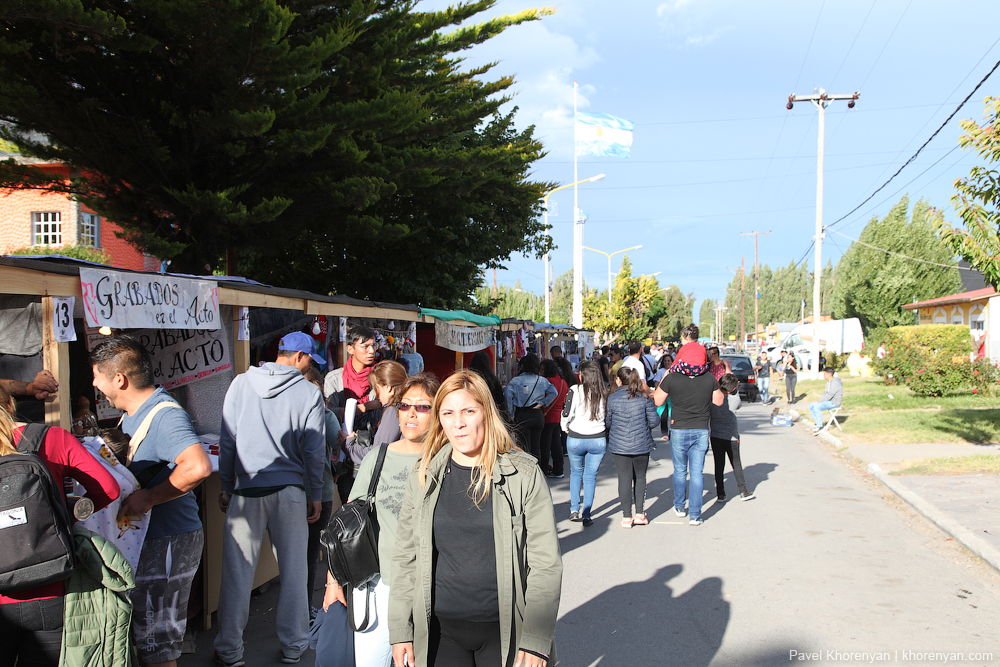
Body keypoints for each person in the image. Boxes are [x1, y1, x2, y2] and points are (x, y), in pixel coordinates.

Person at [388, 370, 562, 667]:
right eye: (448, 413)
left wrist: (536, 640)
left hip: (504, 630)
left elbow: (545, 564)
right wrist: (401, 629)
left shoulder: (523, 474)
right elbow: (406, 556)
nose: (458, 423)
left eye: (469, 411)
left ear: (487, 412)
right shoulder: (425, 472)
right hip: (441, 632)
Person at [90, 334, 213, 667]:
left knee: (157, 648)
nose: (94, 383)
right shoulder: (135, 413)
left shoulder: (164, 416)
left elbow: (198, 466)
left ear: (119, 379)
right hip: (156, 541)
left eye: (96, 375)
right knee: (148, 643)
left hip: (169, 541)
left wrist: (148, 498)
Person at [214, 331, 327, 666]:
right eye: (309, 360)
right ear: (298, 357)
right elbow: (314, 450)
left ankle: (229, 650)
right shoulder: (308, 392)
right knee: (294, 573)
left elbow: (228, 439)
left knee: (236, 574)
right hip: (290, 492)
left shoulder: (239, 384)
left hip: (246, 490)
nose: (309, 366)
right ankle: (294, 647)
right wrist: (316, 493)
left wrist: (225, 484)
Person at [324, 374, 440, 667]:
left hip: (430, 588)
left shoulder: (446, 460)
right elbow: (346, 523)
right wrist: (332, 581)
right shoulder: (378, 456)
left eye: (423, 407)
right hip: (376, 586)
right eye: (404, 405)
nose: (411, 413)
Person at [0, 386, 120, 667]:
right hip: (51, 586)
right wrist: (64, 515)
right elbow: (109, 489)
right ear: (11, 403)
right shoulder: (52, 437)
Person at [653, 324, 725, 526]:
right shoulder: (709, 378)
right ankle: (695, 514)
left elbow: (658, 400)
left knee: (679, 471)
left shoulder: (673, 377)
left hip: (678, 428)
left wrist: (666, 377)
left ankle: (679, 506)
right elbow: (719, 401)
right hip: (701, 429)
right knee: (697, 473)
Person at [303, 367, 345, 612]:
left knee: (296, 556)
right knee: (309, 554)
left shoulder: (290, 414)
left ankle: (299, 609)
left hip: (295, 489)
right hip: (321, 491)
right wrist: (337, 468)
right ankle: (306, 609)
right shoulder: (326, 414)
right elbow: (338, 446)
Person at [606, 367, 658, 529]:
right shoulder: (644, 398)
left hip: (620, 445)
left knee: (624, 478)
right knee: (640, 476)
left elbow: (607, 423)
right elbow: (654, 421)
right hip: (641, 443)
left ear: (619, 380)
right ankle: (640, 513)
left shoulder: (612, 399)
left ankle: (626, 516)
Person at [561, 360, 607, 527]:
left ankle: (574, 509)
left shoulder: (575, 390)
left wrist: (564, 427)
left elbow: (566, 412)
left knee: (575, 473)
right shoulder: (603, 392)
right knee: (590, 477)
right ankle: (587, 514)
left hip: (576, 437)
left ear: (582, 375)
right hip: (597, 438)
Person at [709, 374, 754, 503]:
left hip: (716, 436)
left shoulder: (713, 399)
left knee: (719, 464)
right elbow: (738, 405)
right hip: (732, 437)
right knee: (736, 463)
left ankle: (721, 493)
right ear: (735, 386)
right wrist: (736, 390)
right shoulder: (734, 399)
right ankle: (743, 490)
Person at [504, 353, 556, 461]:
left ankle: (528, 473)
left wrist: (510, 413)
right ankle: (539, 471)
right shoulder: (541, 380)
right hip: (538, 414)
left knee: (525, 447)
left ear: (522, 366)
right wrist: (544, 403)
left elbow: (508, 395)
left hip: (523, 414)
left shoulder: (516, 380)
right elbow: (553, 392)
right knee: (536, 446)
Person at [539, 359, 568, 479]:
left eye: (542, 369)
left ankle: (544, 469)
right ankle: (558, 469)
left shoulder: (546, 382)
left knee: (545, 446)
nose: (540, 372)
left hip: (547, 416)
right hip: (558, 416)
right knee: (556, 445)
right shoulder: (563, 382)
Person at [469, 350, 508, 422]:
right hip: (489, 414)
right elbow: (500, 399)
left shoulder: (468, 379)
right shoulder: (493, 380)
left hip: (471, 413)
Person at [809, 367, 844, 434]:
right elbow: (825, 394)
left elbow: (829, 395)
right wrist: (819, 401)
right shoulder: (829, 382)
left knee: (817, 407)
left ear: (829, 374)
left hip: (834, 402)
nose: (823, 375)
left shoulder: (835, 383)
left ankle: (819, 426)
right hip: (828, 401)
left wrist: (820, 403)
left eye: (824, 374)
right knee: (811, 406)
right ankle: (818, 422)